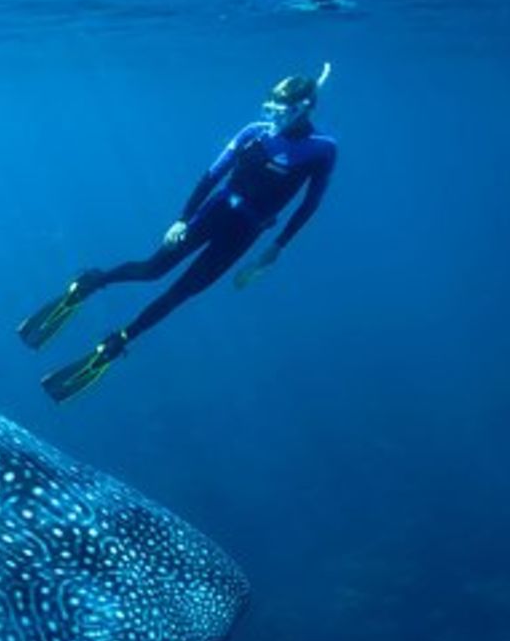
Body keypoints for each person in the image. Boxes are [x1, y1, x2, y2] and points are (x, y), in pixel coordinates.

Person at [19, 64, 338, 402]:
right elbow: (212, 175)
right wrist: (182, 219)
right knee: (151, 270)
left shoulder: (322, 149)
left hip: (246, 232)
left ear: (304, 107)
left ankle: (119, 341)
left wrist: (276, 248)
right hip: (213, 213)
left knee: (183, 292)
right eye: (269, 108)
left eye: (281, 110)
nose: (273, 116)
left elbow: (310, 204)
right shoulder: (254, 132)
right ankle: (91, 282)